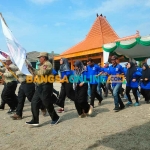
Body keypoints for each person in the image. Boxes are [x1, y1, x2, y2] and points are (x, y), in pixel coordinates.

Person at [26, 52, 60, 126]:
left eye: (40, 57)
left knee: (46, 103)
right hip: (39, 86)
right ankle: (35, 120)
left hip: (46, 86)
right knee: (34, 102)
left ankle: (55, 117)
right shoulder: (41, 65)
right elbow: (37, 73)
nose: (39, 59)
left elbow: (42, 73)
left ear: (44, 58)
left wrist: (34, 70)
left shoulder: (47, 64)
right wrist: (31, 68)